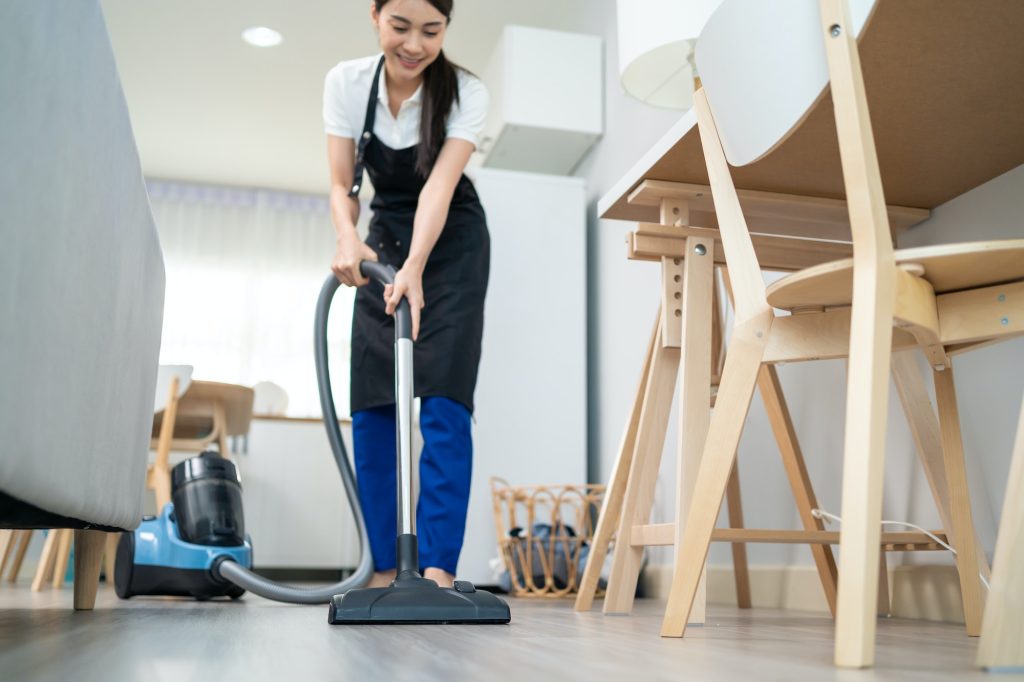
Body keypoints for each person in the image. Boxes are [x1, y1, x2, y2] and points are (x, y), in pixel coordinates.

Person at [323, 0, 489, 589]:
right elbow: (343, 184)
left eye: (431, 30)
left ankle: (438, 570)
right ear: (374, 16)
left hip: (451, 246)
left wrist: (416, 265)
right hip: (380, 244)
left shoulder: (465, 91)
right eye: (400, 26)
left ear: (447, 27)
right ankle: (384, 572)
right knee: (373, 400)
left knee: (444, 399)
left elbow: (439, 187)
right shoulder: (346, 83)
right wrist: (347, 238)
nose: (414, 45)